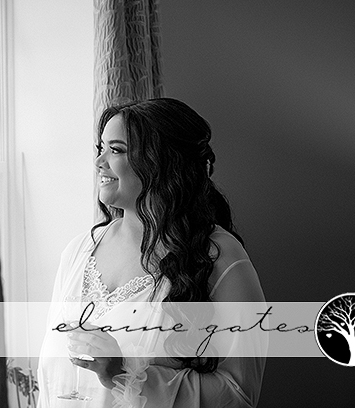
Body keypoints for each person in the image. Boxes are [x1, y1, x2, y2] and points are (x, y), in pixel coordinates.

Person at [37, 98, 266, 407]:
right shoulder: (78, 252)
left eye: (116, 150)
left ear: (162, 162)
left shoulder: (220, 258)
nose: (99, 162)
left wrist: (125, 374)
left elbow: (239, 395)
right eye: (100, 148)